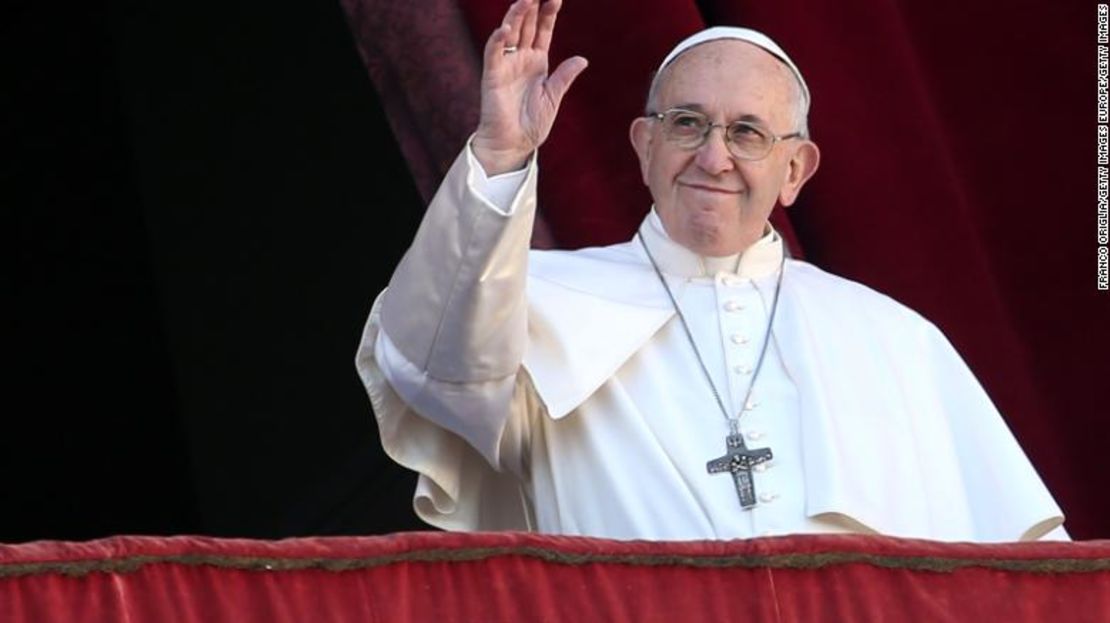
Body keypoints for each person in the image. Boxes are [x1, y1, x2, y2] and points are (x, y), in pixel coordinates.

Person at [356, 0, 1067, 541]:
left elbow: (1021, 573)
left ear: (795, 170)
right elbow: (433, 368)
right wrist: (500, 152)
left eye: (748, 133)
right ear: (643, 145)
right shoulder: (532, 304)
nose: (714, 158)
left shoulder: (895, 339)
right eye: (687, 124)